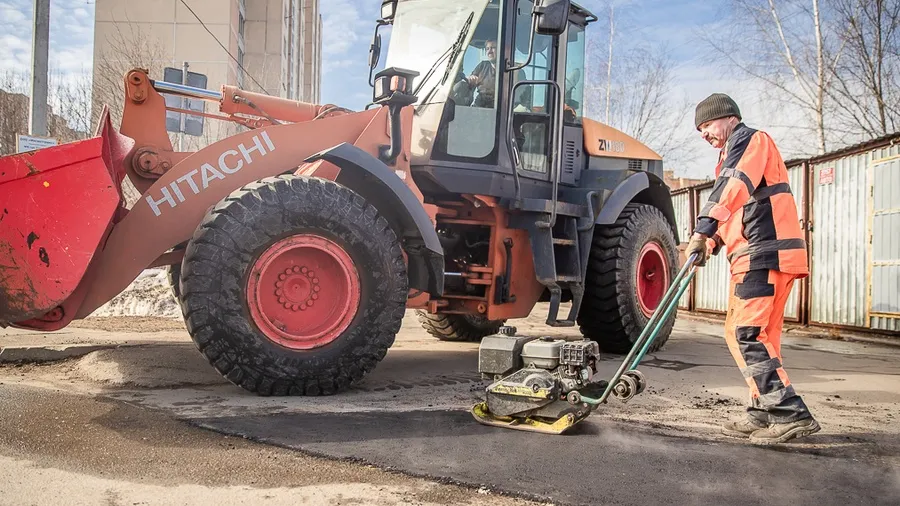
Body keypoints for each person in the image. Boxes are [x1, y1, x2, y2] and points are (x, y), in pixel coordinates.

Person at [685, 93, 820, 445]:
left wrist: (702, 230)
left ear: (729, 118)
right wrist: (711, 243)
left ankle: (791, 413)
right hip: (760, 256)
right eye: (699, 130)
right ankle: (763, 408)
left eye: (708, 125)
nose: (704, 134)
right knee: (746, 335)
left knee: (747, 333)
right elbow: (735, 215)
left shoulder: (749, 141)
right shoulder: (732, 155)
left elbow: (732, 189)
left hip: (765, 256)